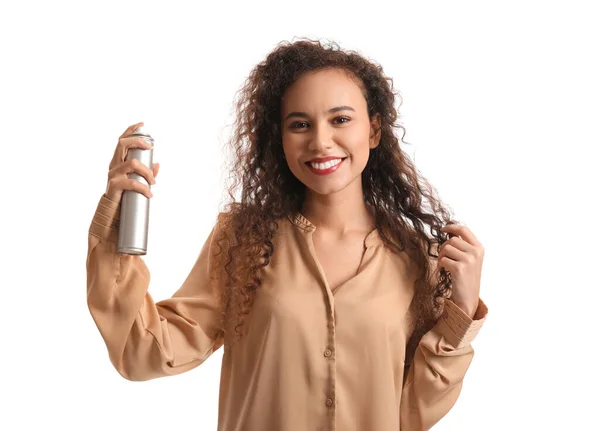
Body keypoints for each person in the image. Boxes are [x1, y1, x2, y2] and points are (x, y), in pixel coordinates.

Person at [86, 38, 488, 431]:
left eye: (341, 119)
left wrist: (462, 310)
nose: (320, 141)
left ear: (374, 130)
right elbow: (144, 353)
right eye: (300, 124)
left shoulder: (418, 258)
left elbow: (412, 415)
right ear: (280, 138)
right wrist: (117, 224)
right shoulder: (242, 240)